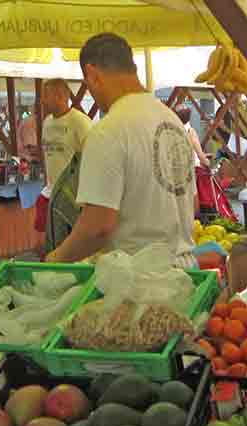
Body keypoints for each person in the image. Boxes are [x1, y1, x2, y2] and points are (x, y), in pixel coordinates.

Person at [47, 33, 196, 268]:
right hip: (186, 273)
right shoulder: (173, 121)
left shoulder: (108, 131)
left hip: (139, 281)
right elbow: (191, 203)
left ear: (93, 75)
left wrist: (55, 258)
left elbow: (97, 228)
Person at [36, 79, 93, 235]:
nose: (42, 100)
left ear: (61, 96)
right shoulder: (47, 122)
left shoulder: (80, 122)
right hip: (50, 193)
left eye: (45, 95)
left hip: (74, 197)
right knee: (48, 242)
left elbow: (93, 158)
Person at [174, 105, 212, 170]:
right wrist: (207, 163)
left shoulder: (174, 131)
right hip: (192, 169)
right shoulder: (190, 131)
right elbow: (200, 155)